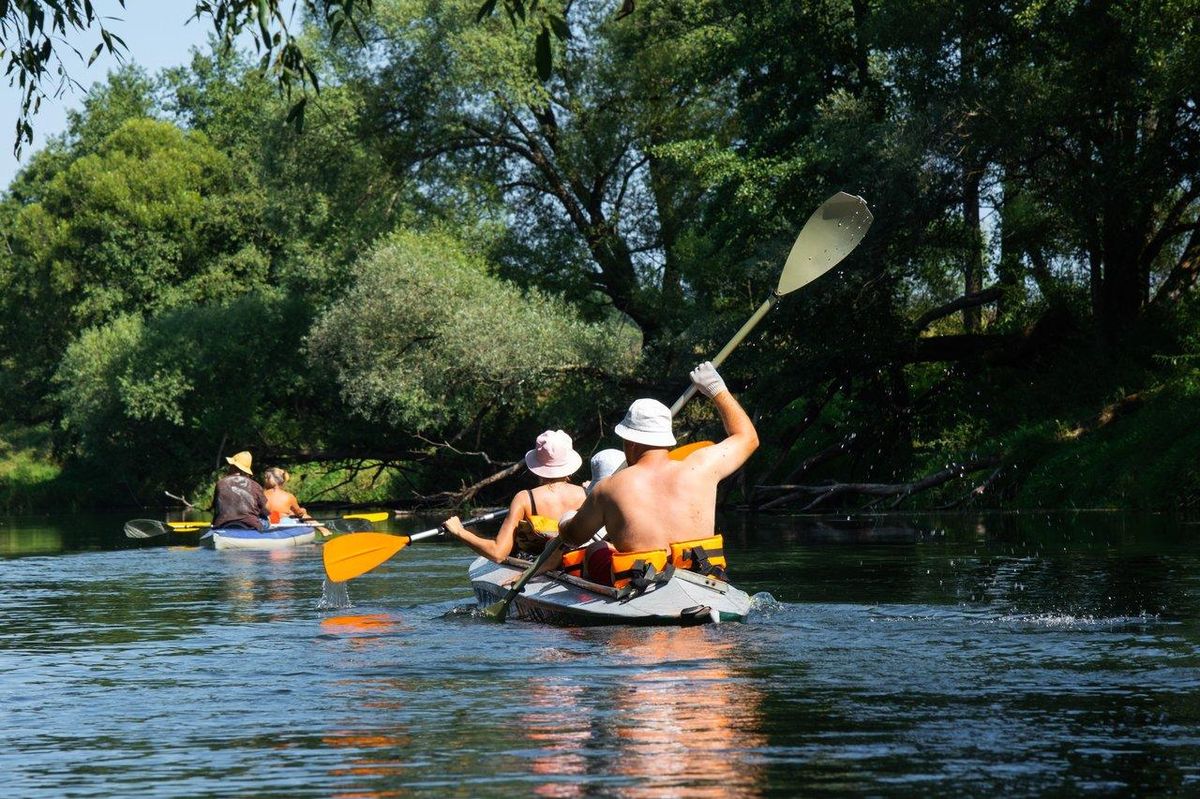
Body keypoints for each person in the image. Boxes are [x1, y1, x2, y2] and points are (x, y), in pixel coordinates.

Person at [559, 362, 758, 585]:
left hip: (641, 587)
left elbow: (573, 537)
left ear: (630, 442)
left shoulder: (608, 488)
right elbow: (748, 438)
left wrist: (565, 520)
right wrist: (715, 388)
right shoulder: (702, 465)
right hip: (704, 582)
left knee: (597, 548)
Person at [442, 430, 587, 562]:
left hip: (539, 565)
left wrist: (459, 531)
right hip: (575, 565)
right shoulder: (588, 494)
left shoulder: (524, 499)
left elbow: (498, 554)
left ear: (537, 466)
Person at [211, 450, 269, 531]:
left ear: (233, 466)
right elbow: (266, 511)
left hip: (222, 524)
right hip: (250, 525)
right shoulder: (255, 486)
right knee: (265, 519)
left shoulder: (220, 484)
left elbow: (216, 508)